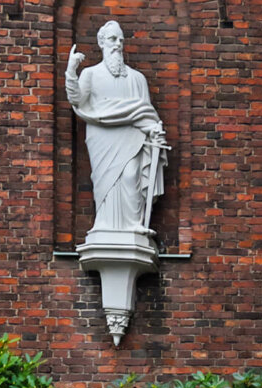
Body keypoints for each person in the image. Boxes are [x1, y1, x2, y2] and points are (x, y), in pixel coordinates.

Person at [65, 21, 168, 236]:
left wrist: (153, 130)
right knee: (105, 180)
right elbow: (77, 100)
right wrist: (71, 71)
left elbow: (145, 112)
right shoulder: (90, 74)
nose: (118, 44)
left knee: (131, 175)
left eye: (121, 40)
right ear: (101, 43)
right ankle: (103, 226)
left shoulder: (137, 79)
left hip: (132, 137)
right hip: (102, 136)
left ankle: (133, 226)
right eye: (113, 39)